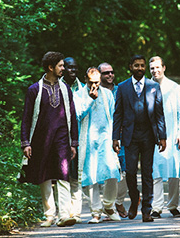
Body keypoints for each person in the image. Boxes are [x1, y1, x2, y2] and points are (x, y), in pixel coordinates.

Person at [20, 51, 78, 227]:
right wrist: (26, 143)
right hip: (40, 139)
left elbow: (72, 116)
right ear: (51, 67)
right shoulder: (34, 90)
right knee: (43, 176)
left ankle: (65, 215)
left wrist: (74, 142)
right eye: (61, 66)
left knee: (63, 173)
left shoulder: (65, 89)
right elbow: (26, 118)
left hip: (61, 139)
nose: (64, 69)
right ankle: (49, 216)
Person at [112, 55, 167, 222]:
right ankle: (134, 198)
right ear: (131, 66)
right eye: (136, 65)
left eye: (142, 66)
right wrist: (115, 137)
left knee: (147, 173)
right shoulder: (122, 87)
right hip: (130, 136)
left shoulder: (153, 86)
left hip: (149, 136)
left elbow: (159, 114)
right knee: (129, 172)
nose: (140, 68)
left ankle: (147, 210)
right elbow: (118, 114)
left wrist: (162, 136)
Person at [74, 67, 122, 223]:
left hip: (106, 139)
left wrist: (116, 138)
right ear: (86, 79)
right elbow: (78, 115)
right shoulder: (79, 94)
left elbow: (114, 117)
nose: (95, 85)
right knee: (91, 176)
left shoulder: (107, 94)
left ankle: (109, 205)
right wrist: (90, 98)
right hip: (88, 141)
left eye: (97, 82)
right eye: (91, 82)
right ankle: (96, 212)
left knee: (113, 174)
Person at [149, 56, 180, 218]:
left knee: (174, 173)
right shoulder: (146, 87)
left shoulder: (174, 88)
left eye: (158, 67)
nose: (155, 71)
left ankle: (173, 205)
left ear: (164, 68)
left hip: (172, 134)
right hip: (153, 137)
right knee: (155, 173)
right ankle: (156, 207)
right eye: (152, 68)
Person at [99, 62, 128, 218]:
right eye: (105, 73)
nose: (110, 75)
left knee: (123, 171)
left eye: (111, 72)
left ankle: (118, 201)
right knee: (107, 172)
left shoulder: (120, 90)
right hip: (103, 137)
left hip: (122, 138)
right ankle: (107, 206)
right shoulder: (96, 92)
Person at [62, 57, 85, 222]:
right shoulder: (56, 86)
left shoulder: (82, 89)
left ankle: (76, 212)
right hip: (59, 137)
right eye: (70, 67)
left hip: (78, 139)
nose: (73, 71)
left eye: (75, 68)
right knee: (61, 175)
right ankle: (63, 211)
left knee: (76, 176)